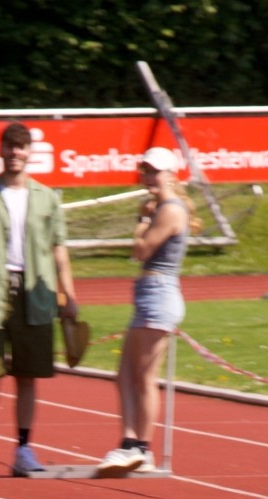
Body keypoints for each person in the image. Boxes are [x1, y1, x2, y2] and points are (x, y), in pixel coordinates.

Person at [0, 121, 79, 477]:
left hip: (35, 293)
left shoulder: (47, 198)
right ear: (1, 150)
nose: (15, 153)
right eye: (9, 146)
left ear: (29, 152)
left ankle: (24, 448)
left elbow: (59, 249)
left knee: (28, 375)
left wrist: (69, 294)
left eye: (21, 147)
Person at [98, 146, 194, 475]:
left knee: (144, 377)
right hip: (150, 294)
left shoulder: (170, 209)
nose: (149, 177)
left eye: (155, 171)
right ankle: (129, 444)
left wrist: (141, 222)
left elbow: (141, 250)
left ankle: (140, 447)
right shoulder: (164, 208)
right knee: (125, 374)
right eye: (146, 171)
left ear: (171, 174)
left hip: (159, 294)